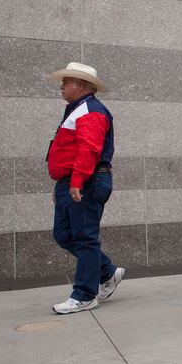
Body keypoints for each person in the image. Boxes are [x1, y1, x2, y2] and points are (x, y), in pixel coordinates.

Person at [46, 62, 124, 314]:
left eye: (65, 82)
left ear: (80, 85)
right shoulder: (78, 109)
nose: (61, 87)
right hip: (71, 181)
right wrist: (63, 183)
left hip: (86, 181)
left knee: (84, 238)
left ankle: (85, 295)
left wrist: (76, 181)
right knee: (63, 234)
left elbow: (89, 149)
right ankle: (107, 272)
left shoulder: (90, 110)